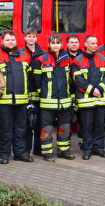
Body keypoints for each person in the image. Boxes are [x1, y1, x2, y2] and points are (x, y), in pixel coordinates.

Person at [0, 30, 34, 164]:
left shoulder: (25, 56)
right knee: (5, 129)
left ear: (16, 41)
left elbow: (29, 79)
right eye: (7, 40)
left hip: (22, 100)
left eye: (12, 39)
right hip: (3, 101)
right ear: (2, 41)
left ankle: (20, 153)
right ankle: (4, 154)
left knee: (21, 129)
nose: (10, 42)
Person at [32, 34, 75, 162]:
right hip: (47, 103)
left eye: (58, 42)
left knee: (65, 128)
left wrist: (72, 99)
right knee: (47, 129)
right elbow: (37, 81)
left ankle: (63, 151)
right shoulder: (41, 60)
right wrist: (43, 94)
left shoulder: (67, 59)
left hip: (65, 102)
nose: (55, 45)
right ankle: (47, 153)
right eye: (53, 42)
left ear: (62, 44)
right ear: (49, 45)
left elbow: (71, 81)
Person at [71, 35, 105, 160]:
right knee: (87, 127)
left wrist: (100, 88)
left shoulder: (102, 58)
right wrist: (92, 90)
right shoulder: (78, 60)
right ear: (86, 44)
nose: (95, 45)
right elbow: (78, 80)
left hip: (101, 99)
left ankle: (99, 148)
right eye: (92, 43)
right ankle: (87, 150)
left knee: (100, 126)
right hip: (86, 100)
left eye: (96, 43)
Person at [22, 28, 45, 157]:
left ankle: (38, 149)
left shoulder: (43, 54)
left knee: (39, 123)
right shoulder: (20, 53)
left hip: (40, 94)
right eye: (29, 36)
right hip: (26, 93)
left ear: (36, 38)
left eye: (33, 36)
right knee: (26, 124)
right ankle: (26, 150)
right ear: (25, 38)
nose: (31, 38)